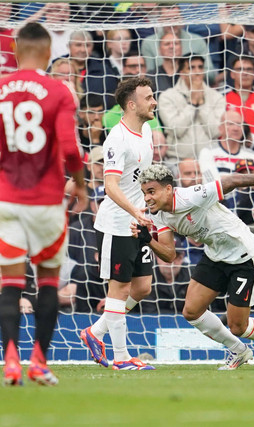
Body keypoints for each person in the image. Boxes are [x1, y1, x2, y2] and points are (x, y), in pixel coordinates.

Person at [133, 165, 254, 370]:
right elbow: (170, 254)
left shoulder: (192, 196)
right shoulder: (158, 214)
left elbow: (232, 181)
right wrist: (147, 239)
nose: (147, 198)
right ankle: (238, 350)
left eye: (151, 191)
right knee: (191, 311)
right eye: (144, 193)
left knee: (238, 326)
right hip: (215, 254)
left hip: (243, 255)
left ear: (168, 189)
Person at [0, 22, 87, 386]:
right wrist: (80, 185)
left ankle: (10, 362)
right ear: (50, 52)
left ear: (16, 51)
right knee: (48, 280)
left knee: (9, 283)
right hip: (47, 201)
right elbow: (70, 149)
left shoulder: (1, 89)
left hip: (7, 200)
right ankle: (39, 361)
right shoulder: (58, 90)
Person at [80, 77, 157, 371]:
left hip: (138, 221)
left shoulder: (147, 129)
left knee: (142, 287)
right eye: (148, 98)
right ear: (131, 104)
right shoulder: (116, 139)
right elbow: (109, 185)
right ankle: (121, 357)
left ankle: (94, 333)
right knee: (120, 289)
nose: (154, 102)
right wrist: (134, 212)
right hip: (116, 223)